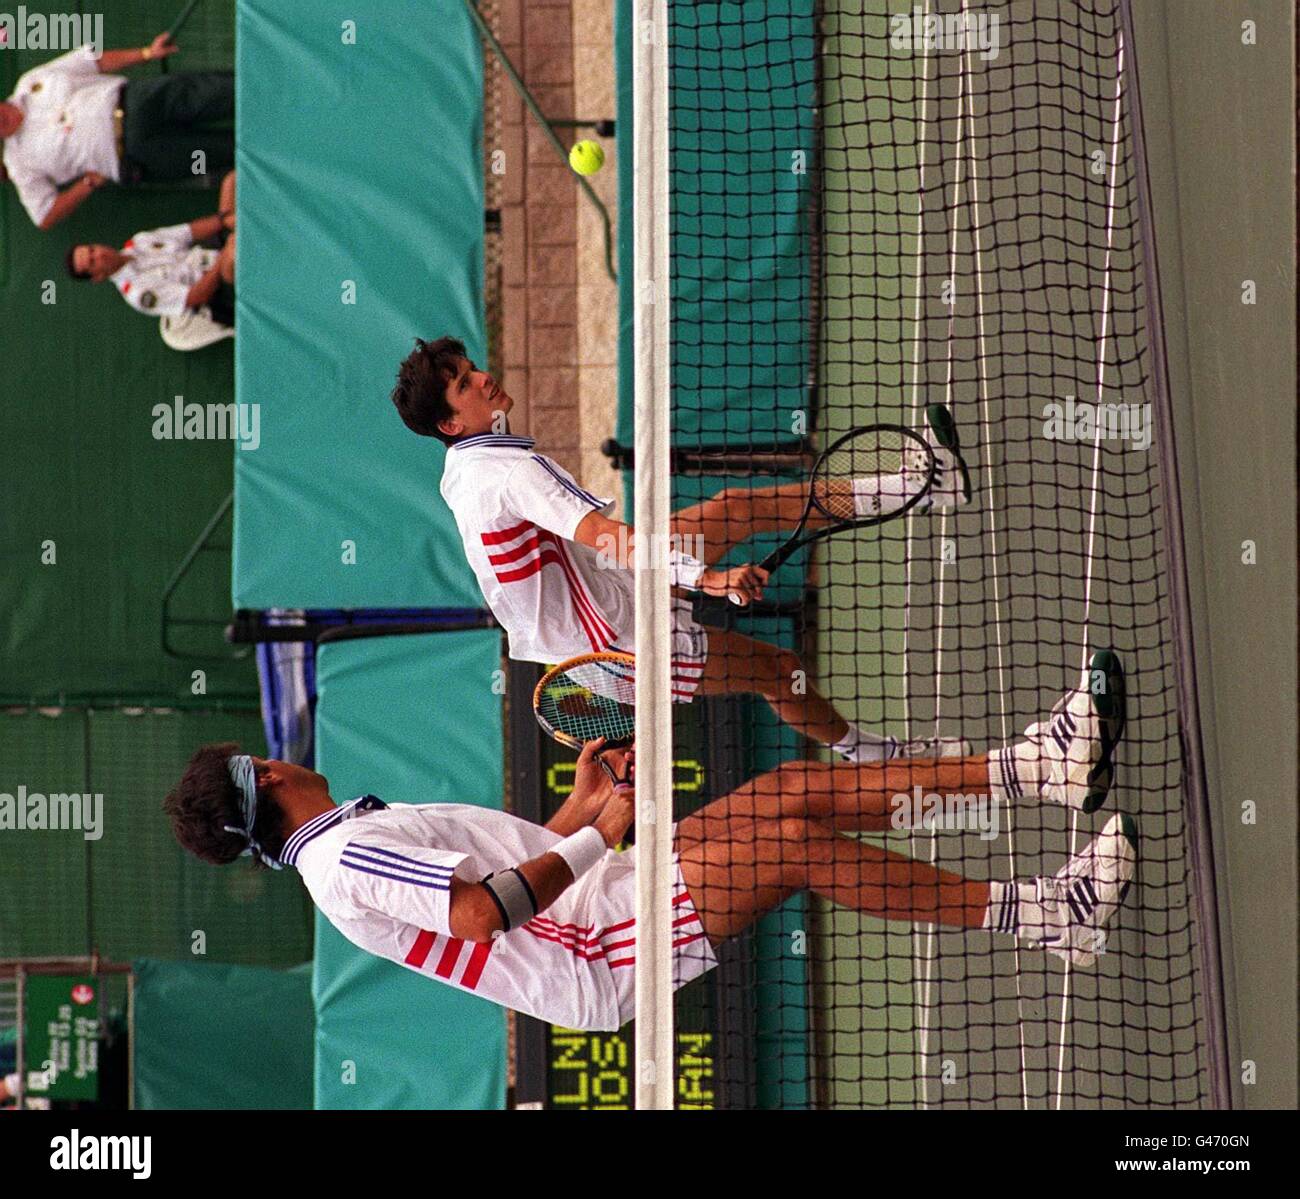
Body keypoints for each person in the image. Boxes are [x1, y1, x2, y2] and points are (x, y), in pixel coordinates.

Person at [162, 659, 1135, 1032]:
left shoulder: (344, 843)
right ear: (268, 780)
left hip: (597, 904)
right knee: (791, 846)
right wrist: (594, 836)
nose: (279, 751)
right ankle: (1050, 912)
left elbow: (487, 885)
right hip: (599, 948)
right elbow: (476, 913)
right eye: (263, 754)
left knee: (785, 791)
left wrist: (577, 808)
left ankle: (1034, 768)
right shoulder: (343, 857)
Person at [391, 336, 974, 764]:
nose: (484, 377)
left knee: (732, 509)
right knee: (780, 671)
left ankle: (921, 485)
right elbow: (606, 535)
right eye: (465, 384)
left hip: (612, 588)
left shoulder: (467, 468)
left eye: (472, 369)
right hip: (623, 646)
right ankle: (874, 754)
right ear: (449, 422)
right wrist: (707, 578)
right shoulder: (509, 473)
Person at [0, 34, 234, 230]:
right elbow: (44, 216)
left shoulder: (30, 81)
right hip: (138, 156)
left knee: (222, 92)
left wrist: (145, 54)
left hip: (139, 101)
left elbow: (92, 61)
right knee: (225, 150)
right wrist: (87, 185)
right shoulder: (18, 162)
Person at [66, 170, 237, 326]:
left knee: (231, 181)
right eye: (92, 261)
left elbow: (191, 231)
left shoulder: (139, 241)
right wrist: (221, 260)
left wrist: (223, 221)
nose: (99, 254)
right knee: (233, 250)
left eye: (92, 250)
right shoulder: (138, 293)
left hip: (213, 250)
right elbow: (197, 296)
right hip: (220, 288)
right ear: (98, 277)